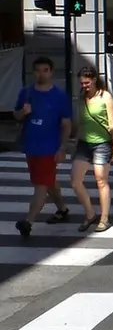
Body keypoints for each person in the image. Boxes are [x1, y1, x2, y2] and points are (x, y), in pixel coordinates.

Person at [13, 57, 73, 238]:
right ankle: (62, 209)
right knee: (49, 182)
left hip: (49, 148)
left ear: (51, 72)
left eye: (45, 70)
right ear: (33, 72)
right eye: (37, 70)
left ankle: (28, 222)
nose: (41, 74)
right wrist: (23, 112)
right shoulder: (26, 92)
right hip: (31, 146)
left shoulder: (60, 96)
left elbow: (66, 124)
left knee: (40, 185)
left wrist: (63, 147)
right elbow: (16, 116)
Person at [71, 66, 113, 233]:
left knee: (101, 180)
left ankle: (104, 218)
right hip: (84, 143)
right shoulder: (81, 97)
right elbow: (81, 122)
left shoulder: (105, 97)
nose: (84, 86)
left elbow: (112, 124)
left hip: (102, 143)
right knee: (75, 182)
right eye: (81, 83)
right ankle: (90, 214)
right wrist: (75, 141)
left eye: (86, 82)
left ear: (94, 79)